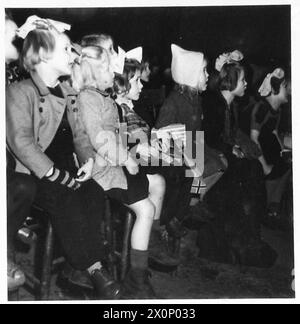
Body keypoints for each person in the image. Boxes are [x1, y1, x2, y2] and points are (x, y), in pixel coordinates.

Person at [6, 17, 120, 299]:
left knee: (93, 190)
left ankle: (74, 267)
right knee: (66, 197)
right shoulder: (20, 92)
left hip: (66, 170)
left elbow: (80, 134)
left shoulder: (68, 93)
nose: (74, 56)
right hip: (34, 173)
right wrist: (56, 174)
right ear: (44, 56)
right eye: (67, 50)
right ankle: (93, 268)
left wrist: (88, 159)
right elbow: (22, 142)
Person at [72, 45, 159, 299]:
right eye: (109, 69)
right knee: (146, 209)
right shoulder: (88, 98)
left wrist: (130, 150)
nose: (114, 73)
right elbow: (100, 138)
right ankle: (137, 278)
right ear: (95, 74)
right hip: (100, 169)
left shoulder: (105, 98)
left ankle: (142, 256)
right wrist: (126, 158)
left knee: (156, 185)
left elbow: (118, 133)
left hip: (113, 164)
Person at [202, 62, 276, 267]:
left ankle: (252, 232)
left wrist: (244, 148)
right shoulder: (214, 104)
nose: (245, 84)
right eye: (242, 80)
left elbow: (232, 133)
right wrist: (230, 150)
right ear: (231, 81)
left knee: (253, 167)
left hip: (224, 156)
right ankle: (244, 238)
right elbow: (207, 137)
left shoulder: (231, 105)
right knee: (248, 171)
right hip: (212, 161)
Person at [112, 54, 180, 269]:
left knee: (168, 175)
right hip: (120, 166)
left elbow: (142, 135)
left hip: (139, 160)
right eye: (137, 81)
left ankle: (156, 233)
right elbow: (118, 140)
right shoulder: (115, 109)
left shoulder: (131, 108)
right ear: (121, 85)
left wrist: (158, 142)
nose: (142, 85)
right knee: (174, 170)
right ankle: (169, 221)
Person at [155, 44, 210, 237]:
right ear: (190, 76)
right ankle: (167, 219)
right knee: (180, 176)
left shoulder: (196, 100)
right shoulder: (173, 102)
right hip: (168, 155)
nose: (208, 75)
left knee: (196, 170)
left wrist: (196, 160)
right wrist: (190, 161)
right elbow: (162, 134)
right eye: (204, 71)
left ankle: (182, 213)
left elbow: (196, 134)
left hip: (188, 150)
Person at [5, 12, 36, 292]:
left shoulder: (9, 75)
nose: (15, 37)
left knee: (24, 184)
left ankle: (8, 238)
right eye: (9, 32)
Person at [251, 68, 292, 226]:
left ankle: (273, 206)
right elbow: (254, 138)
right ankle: (267, 207)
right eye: (285, 86)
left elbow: (274, 131)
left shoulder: (278, 110)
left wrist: (284, 151)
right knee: (271, 173)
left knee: (287, 166)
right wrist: (264, 164)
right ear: (275, 89)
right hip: (260, 152)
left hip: (271, 149)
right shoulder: (261, 108)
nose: (288, 90)